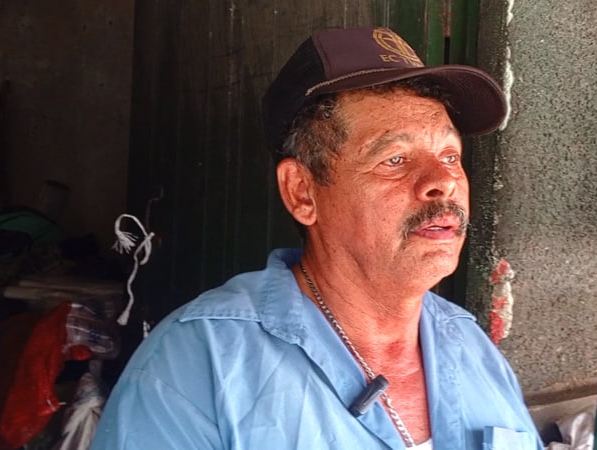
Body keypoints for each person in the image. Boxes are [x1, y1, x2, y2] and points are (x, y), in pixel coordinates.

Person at [90, 26, 543, 450]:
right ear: (302, 192)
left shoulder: (471, 348)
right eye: (395, 159)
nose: (442, 183)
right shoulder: (193, 365)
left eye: (450, 155)